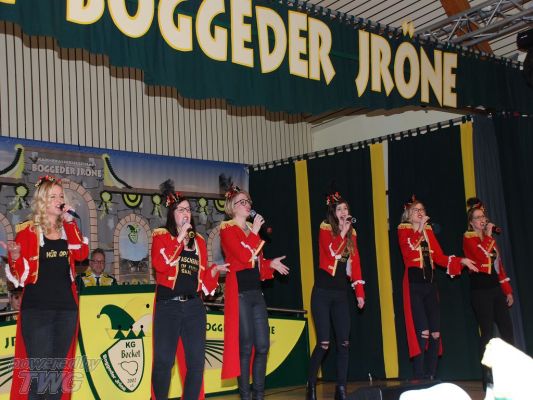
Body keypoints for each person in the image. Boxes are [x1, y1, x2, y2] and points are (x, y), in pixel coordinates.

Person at [6, 175, 89, 399]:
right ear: (42, 201)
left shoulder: (67, 229)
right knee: (40, 374)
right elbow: (19, 279)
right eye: (53, 196)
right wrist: (15, 256)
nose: (59, 200)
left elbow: (82, 254)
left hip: (66, 310)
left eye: (61, 196)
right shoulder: (27, 232)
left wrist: (70, 223)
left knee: (56, 375)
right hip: (37, 310)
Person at [150, 184, 228, 400]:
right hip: (168, 305)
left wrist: (214, 272)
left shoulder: (199, 241)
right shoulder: (161, 235)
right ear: (172, 214)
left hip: (194, 307)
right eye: (181, 209)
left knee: (196, 364)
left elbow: (201, 280)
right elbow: (160, 265)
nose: (186, 213)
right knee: (164, 362)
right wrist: (179, 239)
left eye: (188, 209)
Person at [220, 185, 289, 400]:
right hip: (239, 293)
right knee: (246, 345)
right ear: (232, 207)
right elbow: (242, 256)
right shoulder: (227, 229)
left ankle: (259, 395)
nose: (247, 204)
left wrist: (270, 264)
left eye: (248, 201)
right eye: (242, 202)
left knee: (262, 345)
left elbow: (255, 263)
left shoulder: (252, 229)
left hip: (256, 293)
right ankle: (245, 396)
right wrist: (255, 232)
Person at [398, 195, 477, 380]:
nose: (420, 212)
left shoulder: (428, 231)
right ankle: (418, 376)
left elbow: (439, 257)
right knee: (423, 331)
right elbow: (409, 250)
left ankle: (430, 375)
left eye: (422, 209)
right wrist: (420, 228)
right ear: (408, 215)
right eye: (416, 210)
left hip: (430, 284)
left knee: (435, 332)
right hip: (414, 284)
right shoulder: (403, 230)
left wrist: (461, 261)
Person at [306, 192, 365, 400]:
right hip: (322, 294)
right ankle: (311, 384)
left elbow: (355, 264)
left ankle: (341, 390)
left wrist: (359, 293)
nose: (343, 212)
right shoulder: (325, 228)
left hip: (341, 295)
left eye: (346, 209)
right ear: (333, 212)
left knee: (344, 344)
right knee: (324, 343)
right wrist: (342, 232)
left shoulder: (352, 233)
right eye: (339, 209)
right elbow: (331, 252)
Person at [463, 198, 514, 389]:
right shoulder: (468, 238)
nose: (482, 220)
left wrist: (507, 290)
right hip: (480, 291)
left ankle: (508, 372)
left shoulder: (489, 239)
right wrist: (489, 235)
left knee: (507, 330)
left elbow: (498, 266)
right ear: (471, 222)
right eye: (478, 218)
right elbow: (480, 257)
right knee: (487, 333)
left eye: (483, 217)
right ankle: (487, 375)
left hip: (495, 289)